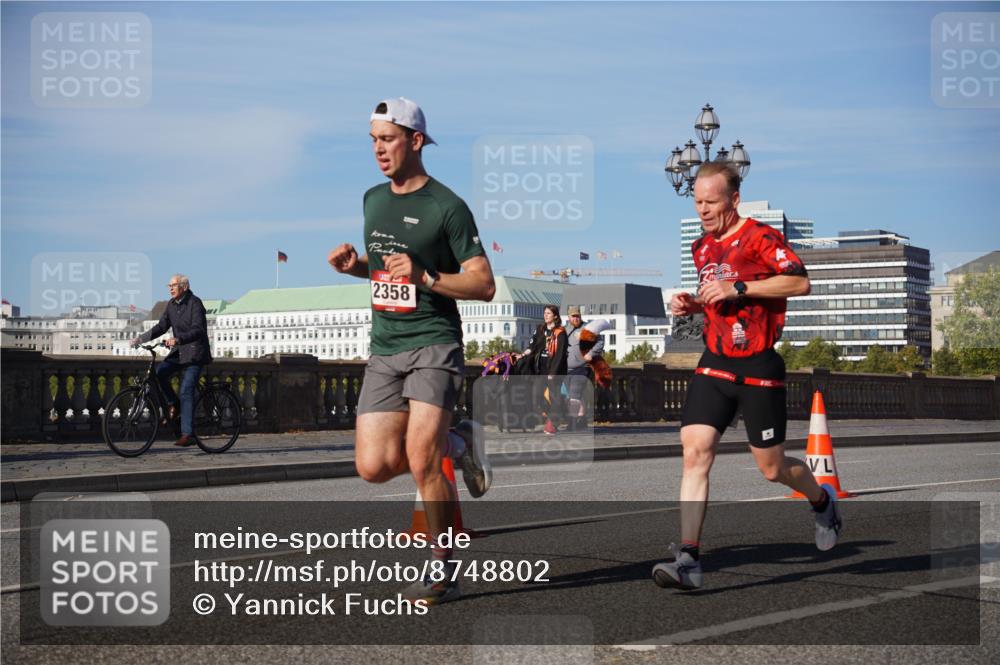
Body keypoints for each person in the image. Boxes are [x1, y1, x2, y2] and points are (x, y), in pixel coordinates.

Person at [326, 97, 496, 605]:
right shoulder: (372, 199)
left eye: (389, 139)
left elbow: (483, 284)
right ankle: (459, 441)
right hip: (385, 347)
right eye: (374, 140)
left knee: (422, 459)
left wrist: (426, 276)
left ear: (416, 141)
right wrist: (356, 265)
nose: (379, 149)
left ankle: (442, 570)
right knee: (373, 467)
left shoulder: (447, 207)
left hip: (432, 343)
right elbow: (384, 270)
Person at [653, 162, 842, 591]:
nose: (702, 209)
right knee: (695, 451)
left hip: (758, 365)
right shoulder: (702, 247)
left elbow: (799, 284)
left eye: (711, 201)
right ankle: (689, 558)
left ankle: (821, 501)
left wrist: (739, 288)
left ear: (733, 199)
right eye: (697, 201)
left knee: (772, 470)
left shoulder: (759, 237)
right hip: (715, 361)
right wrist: (696, 305)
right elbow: (721, 299)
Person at [130, 274, 212, 447]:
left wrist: (178, 339)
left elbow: (199, 330)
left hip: (196, 353)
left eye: (173, 285)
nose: (170, 288)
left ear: (184, 287)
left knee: (186, 390)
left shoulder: (195, 303)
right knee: (160, 373)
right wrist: (141, 339)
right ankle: (173, 403)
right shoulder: (171, 305)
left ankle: (187, 434)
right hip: (180, 352)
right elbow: (161, 326)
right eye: (169, 286)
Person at [524, 305, 567, 435]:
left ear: (555, 316)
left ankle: (551, 424)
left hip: (555, 370)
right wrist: (524, 353)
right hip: (541, 369)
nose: (545, 315)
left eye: (548, 313)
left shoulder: (560, 332)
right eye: (545, 313)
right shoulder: (540, 329)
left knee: (555, 397)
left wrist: (552, 373)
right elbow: (532, 346)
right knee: (536, 395)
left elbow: (560, 355)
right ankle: (552, 416)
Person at [565, 306, 605, 431]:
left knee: (574, 396)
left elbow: (600, 342)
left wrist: (591, 354)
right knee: (576, 396)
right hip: (567, 369)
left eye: (578, 316)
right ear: (569, 317)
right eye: (573, 316)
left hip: (582, 367)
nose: (576, 318)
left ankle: (572, 423)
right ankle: (581, 420)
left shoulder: (587, 328)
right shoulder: (565, 330)